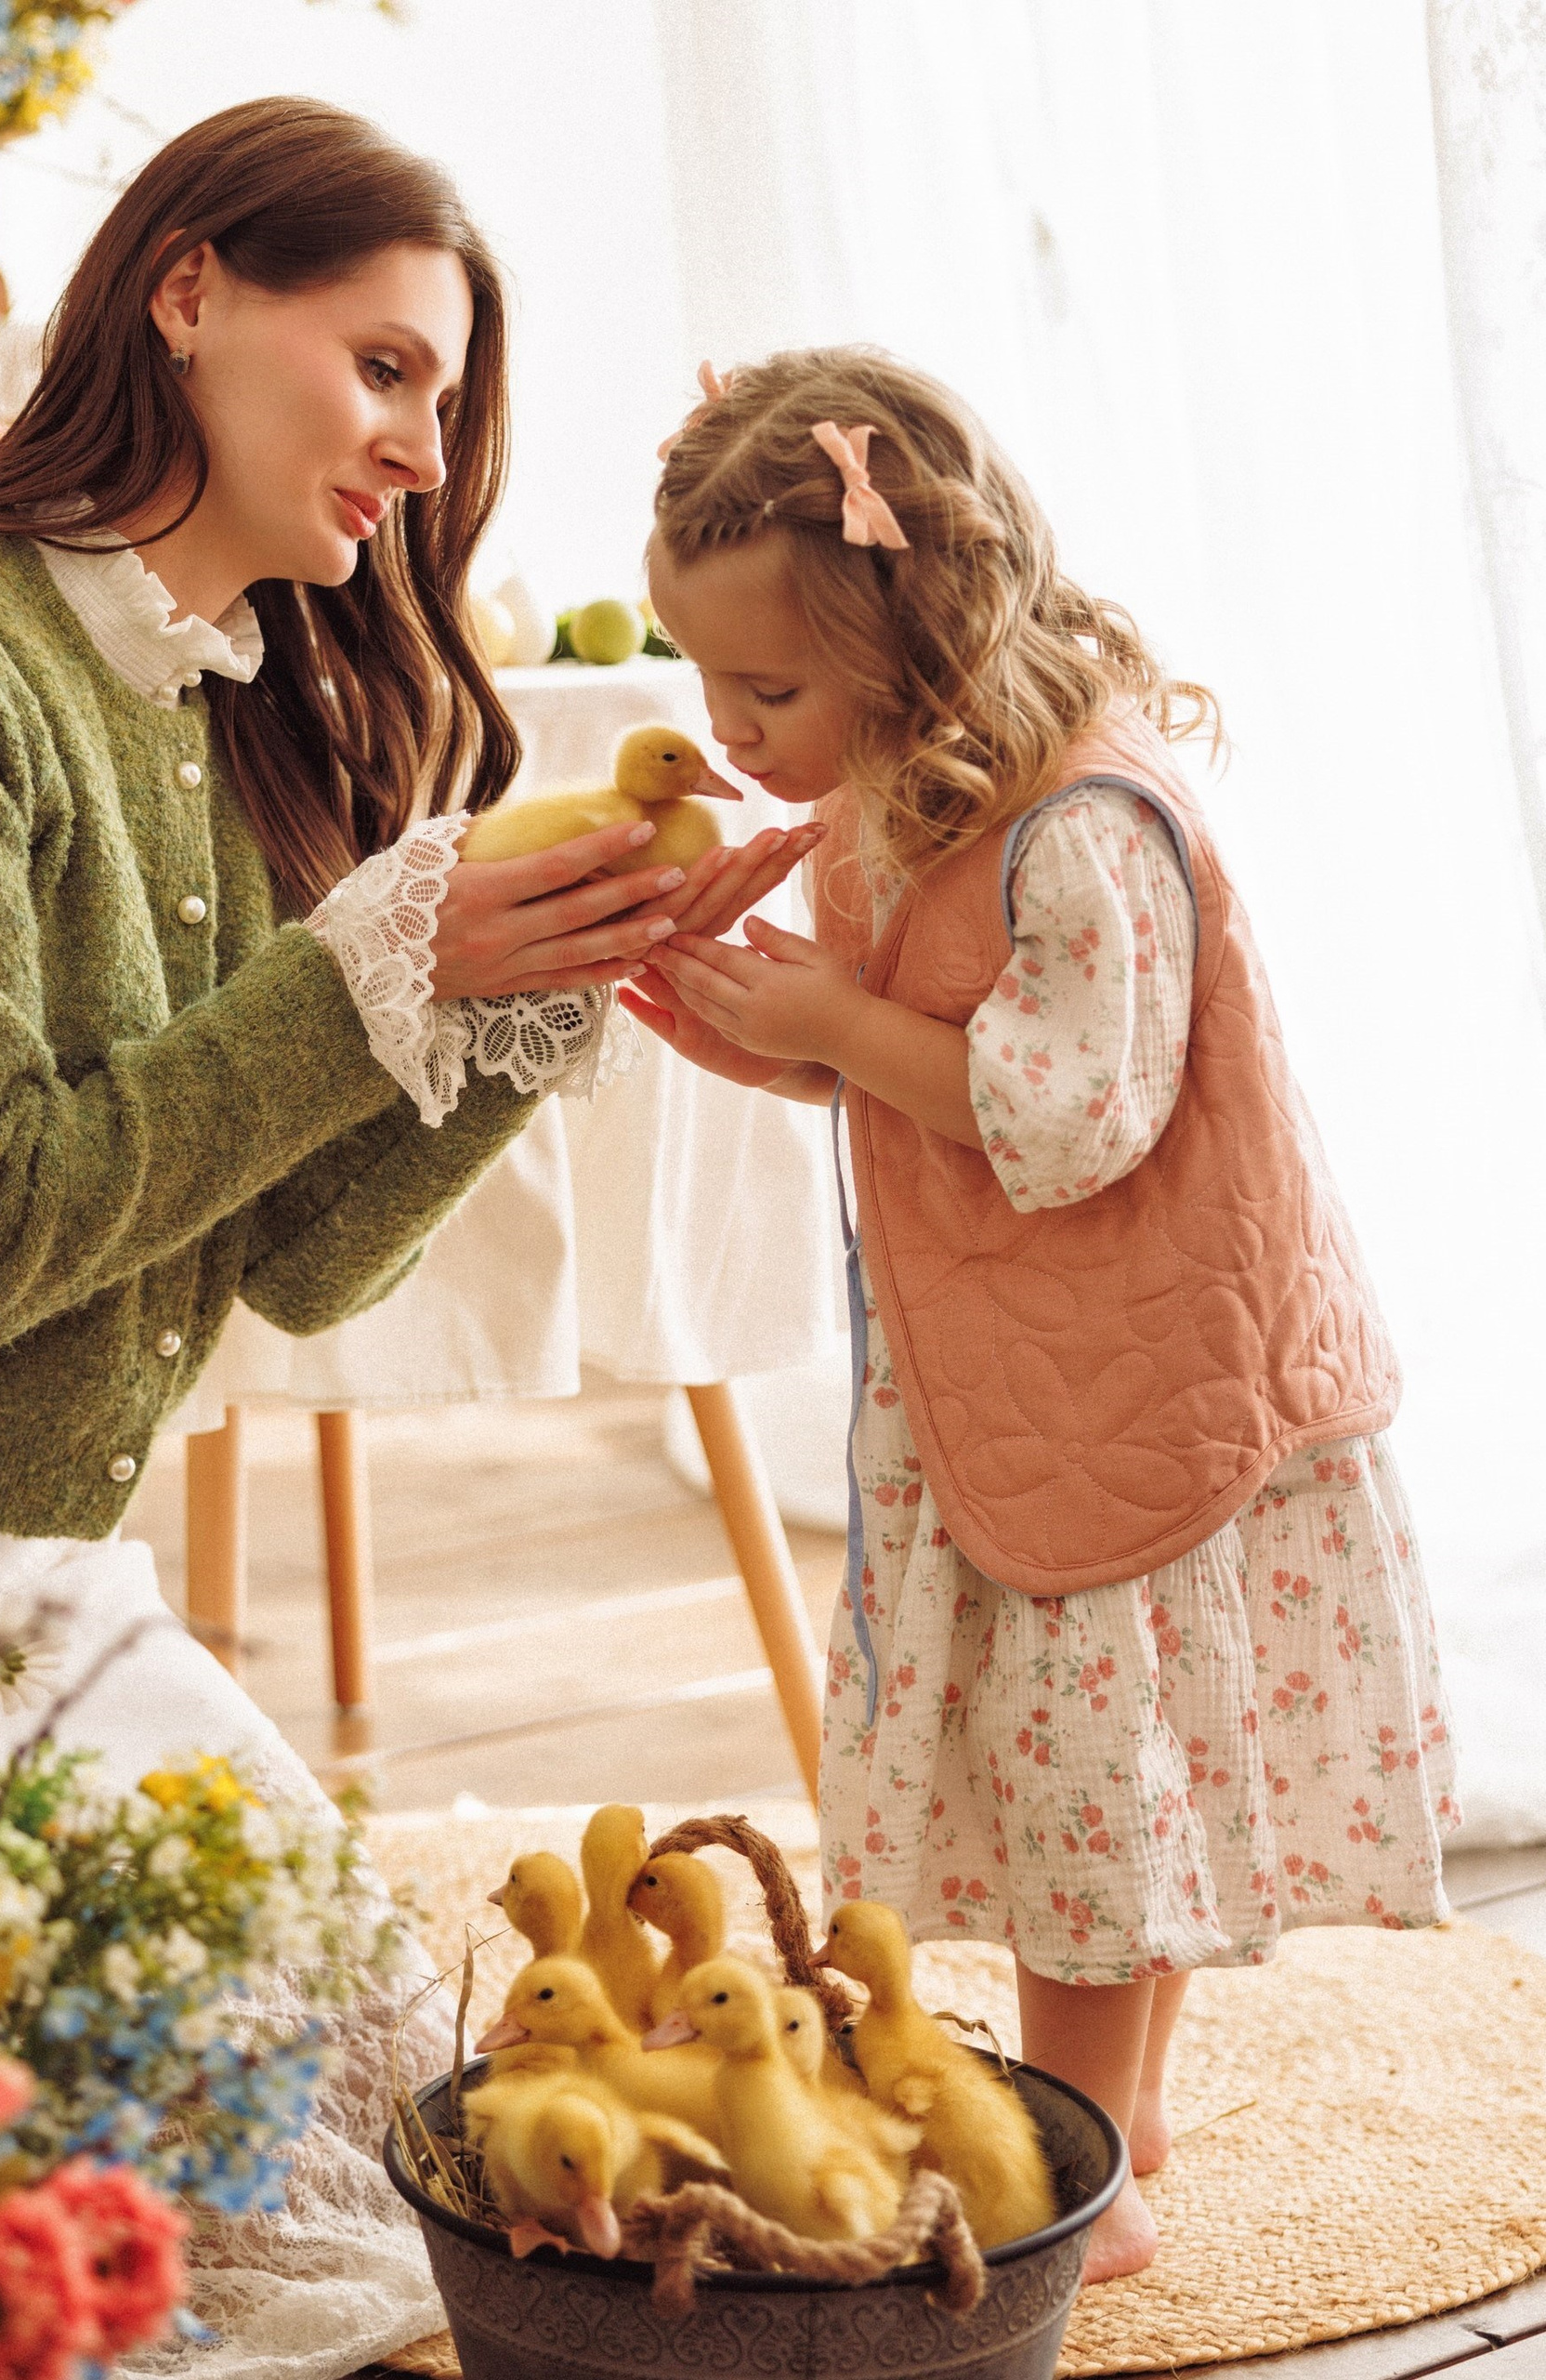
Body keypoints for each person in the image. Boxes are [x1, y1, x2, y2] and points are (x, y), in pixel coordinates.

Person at [0, 97, 807, 2376]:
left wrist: (529, 998)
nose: (425, 455)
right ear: (190, 288)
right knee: (244, 2263)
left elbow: (299, 1262)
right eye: (391, 368)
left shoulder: (210, 703)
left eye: (451, 401)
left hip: (54, 1597)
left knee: (440, 2145)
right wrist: (366, 973)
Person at [620, 347, 1457, 2282]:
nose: (727, 732)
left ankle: (1087, 2168)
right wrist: (765, 1029)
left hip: (1130, 1362)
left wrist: (835, 1026)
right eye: (706, 685)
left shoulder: (1075, 824)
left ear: (921, 642)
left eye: (765, 690)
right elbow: (923, 1069)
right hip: (1022, 1359)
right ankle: (1124, 2116)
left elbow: (1065, 1113)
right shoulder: (908, 790)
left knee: (1092, 1787)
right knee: (1085, 1761)